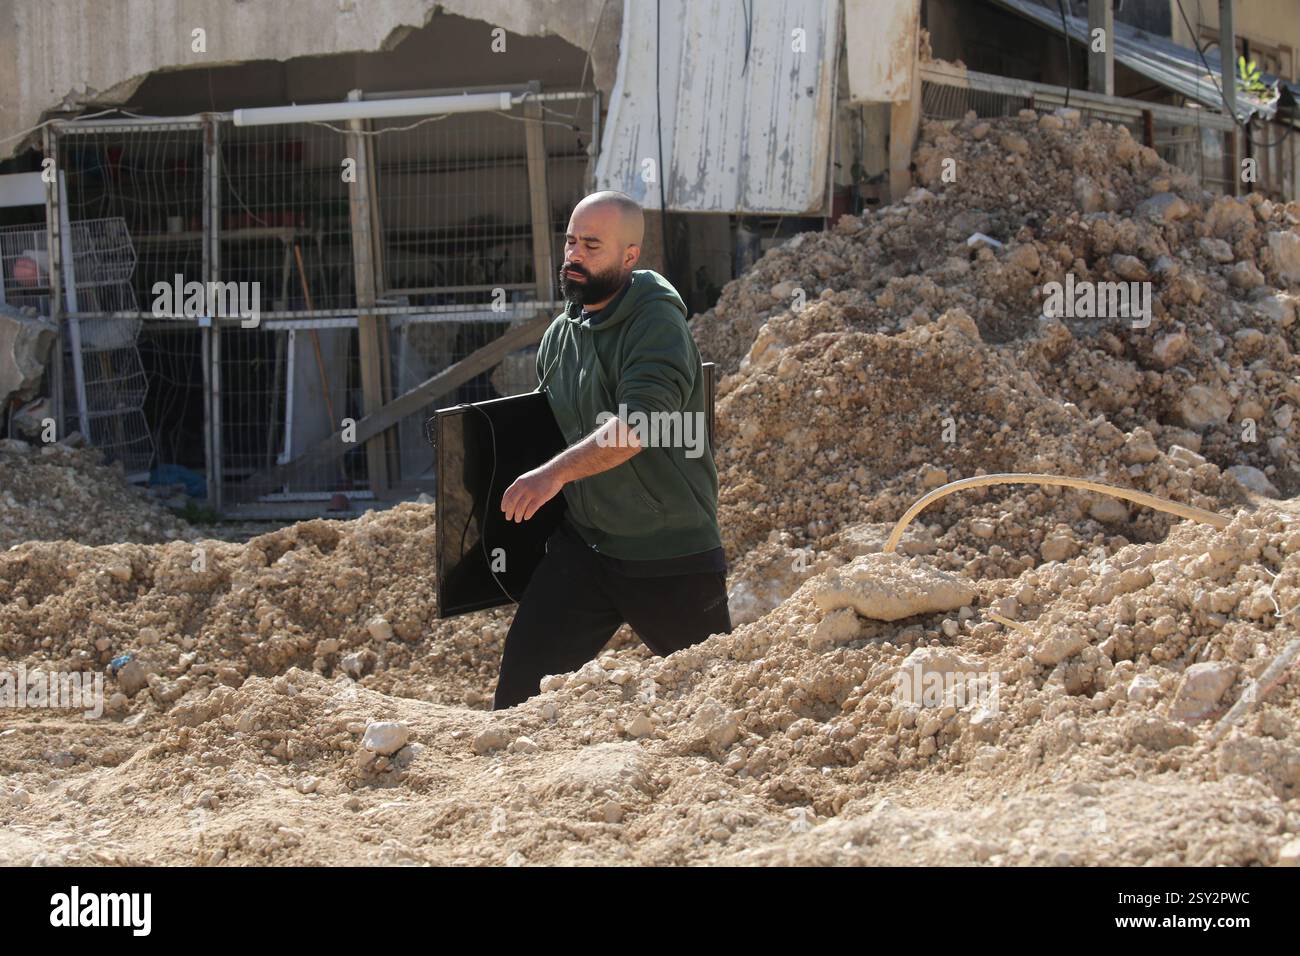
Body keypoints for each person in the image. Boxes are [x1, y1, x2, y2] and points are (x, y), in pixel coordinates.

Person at [491, 190, 732, 709]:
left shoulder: (657, 324)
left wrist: (552, 475)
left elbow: (637, 425)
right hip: (587, 550)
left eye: (592, 246)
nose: (574, 255)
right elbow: (544, 428)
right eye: (571, 242)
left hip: (670, 551)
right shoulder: (560, 337)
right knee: (516, 703)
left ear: (630, 256)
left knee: (718, 704)